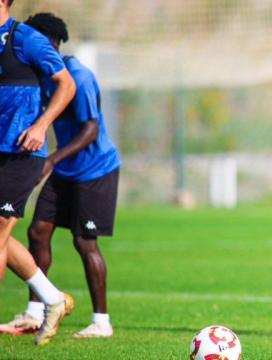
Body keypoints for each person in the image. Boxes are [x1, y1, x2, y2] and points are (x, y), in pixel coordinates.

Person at [0, 12, 120, 339]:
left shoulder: (78, 77)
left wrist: (51, 158)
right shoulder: (38, 76)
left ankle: (101, 321)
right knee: (37, 232)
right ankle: (36, 311)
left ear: (49, 43)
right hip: (62, 167)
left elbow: (92, 130)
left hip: (96, 169)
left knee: (84, 242)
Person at [0, 0, 76, 346]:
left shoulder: (26, 39)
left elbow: (67, 85)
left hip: (20, 153)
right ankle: (52, 299)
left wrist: (41, 126)